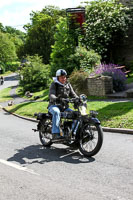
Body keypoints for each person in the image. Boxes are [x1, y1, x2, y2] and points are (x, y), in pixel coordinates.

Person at [48, 69, 78, 139]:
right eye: (62, 77)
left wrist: (78, 98)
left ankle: (73, 133)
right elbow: (51, 94)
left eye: (64, 77)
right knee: (56, 112)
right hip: (54, 105)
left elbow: (73, 94)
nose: (64, 79)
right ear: (58, 78)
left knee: (77, 115)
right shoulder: (54, 84)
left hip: (64, 107)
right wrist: (56, 98)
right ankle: (55, 133)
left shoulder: (68, 85)